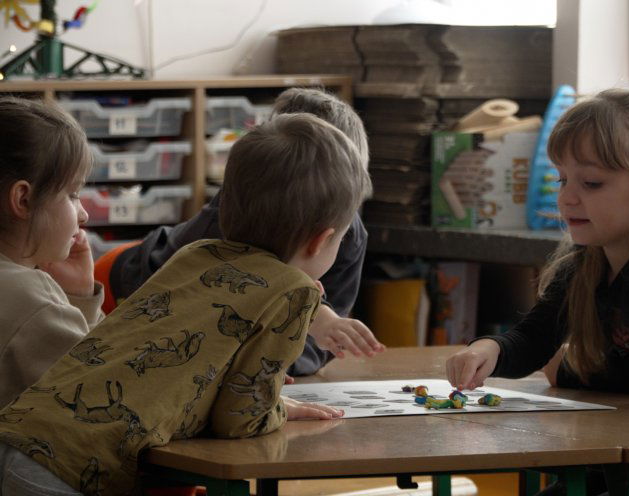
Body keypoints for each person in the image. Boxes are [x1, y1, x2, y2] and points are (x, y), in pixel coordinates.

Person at [0, 112, 373, 496]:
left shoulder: (195, 253)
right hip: (68, 468)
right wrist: (274, 407)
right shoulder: (295, 291)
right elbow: (239, 419)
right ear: (321, 240)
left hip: (18, 440)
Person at [445, 88, 629, 495]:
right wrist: (487, 351)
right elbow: (536, 337)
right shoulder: (587, 257)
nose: (567, 197)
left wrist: (567, 370)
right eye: (562, 178)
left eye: (590, 182)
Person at [94, 88, 383, 377]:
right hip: (122, 285)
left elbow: (322, 340)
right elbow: (192, 340)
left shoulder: (348, 234)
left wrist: (276, 360)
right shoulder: (231, 217)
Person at [0, 97, 104, 409]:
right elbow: (106, 390)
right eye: (72, 195)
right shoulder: (31, 298)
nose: (83, 214)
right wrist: (83, 301)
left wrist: (76, 293)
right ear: (23, 200)